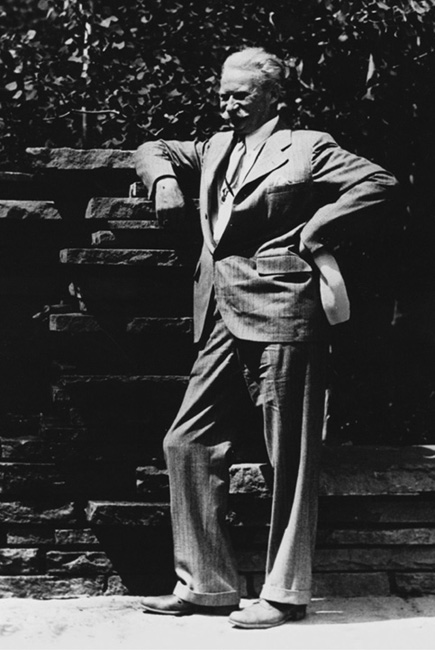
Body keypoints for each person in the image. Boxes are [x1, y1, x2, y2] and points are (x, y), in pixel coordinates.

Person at [134, 47, 399, 629]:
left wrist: (318, 226)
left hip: (284, 310)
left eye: (241, 95)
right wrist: (163, 184)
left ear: (275, 97)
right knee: (187, 441)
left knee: (291, 457)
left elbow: (378, 182)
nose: (227, 103)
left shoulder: (307, 146)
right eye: (223, 93)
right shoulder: (212, 147)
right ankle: (206, 584)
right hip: (219, 313)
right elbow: (151, 147)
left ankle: (284, 593)